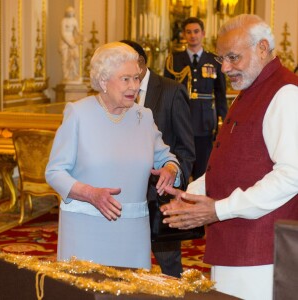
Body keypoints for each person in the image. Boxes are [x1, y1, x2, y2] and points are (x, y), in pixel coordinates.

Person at [160, 14, 298, 300]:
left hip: (261, 253)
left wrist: (219, 209)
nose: (225, 68)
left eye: (233, 57)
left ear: (262, 48)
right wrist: (190, 195)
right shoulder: (249, 90)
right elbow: (233, 164)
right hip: (233, 245)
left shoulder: (285, 93)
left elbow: (292, 175)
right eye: (222, 58)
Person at [45, 42, 181, 270]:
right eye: (125, 79)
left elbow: (168, 158)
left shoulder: (143, 116)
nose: (134, 86)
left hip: (133, 233)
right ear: (103, 82)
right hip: (85, 231)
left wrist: (170, 170)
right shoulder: (78, 113)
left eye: (137, 78)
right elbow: (54, 172)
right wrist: (90, 193)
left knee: (130, 293)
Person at [121, 40, 196, 278]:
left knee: (169, 264)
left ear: (140, 63)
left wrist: (173, 181)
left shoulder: (171, 90)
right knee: (124, 263)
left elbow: (185, 149)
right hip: (122, 196)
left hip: (160, 194)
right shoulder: (112, 94)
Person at [164, 17, 227, 180]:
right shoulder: (173, 60)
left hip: (204, 121)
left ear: (203, 34)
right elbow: (166, 92)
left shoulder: (214, 61)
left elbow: (220, 94)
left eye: (196, 31)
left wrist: (223, 121)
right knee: (180, 165)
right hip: (180, 118)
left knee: (202, 168)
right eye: (189, 32)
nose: (193, 36)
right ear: (184, 35)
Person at [59, 6, 82, 83]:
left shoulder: (74, 20)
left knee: (75, 57)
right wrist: (69, 43)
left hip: (72, 40)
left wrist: (81, 37)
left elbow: (77, 31)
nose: (70, 13)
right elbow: (62, 33)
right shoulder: (64, 21)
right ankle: (66, 76)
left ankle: (74, 75)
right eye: (69, 11)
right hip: (65, 41)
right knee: (65, 59)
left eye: (72, 11)